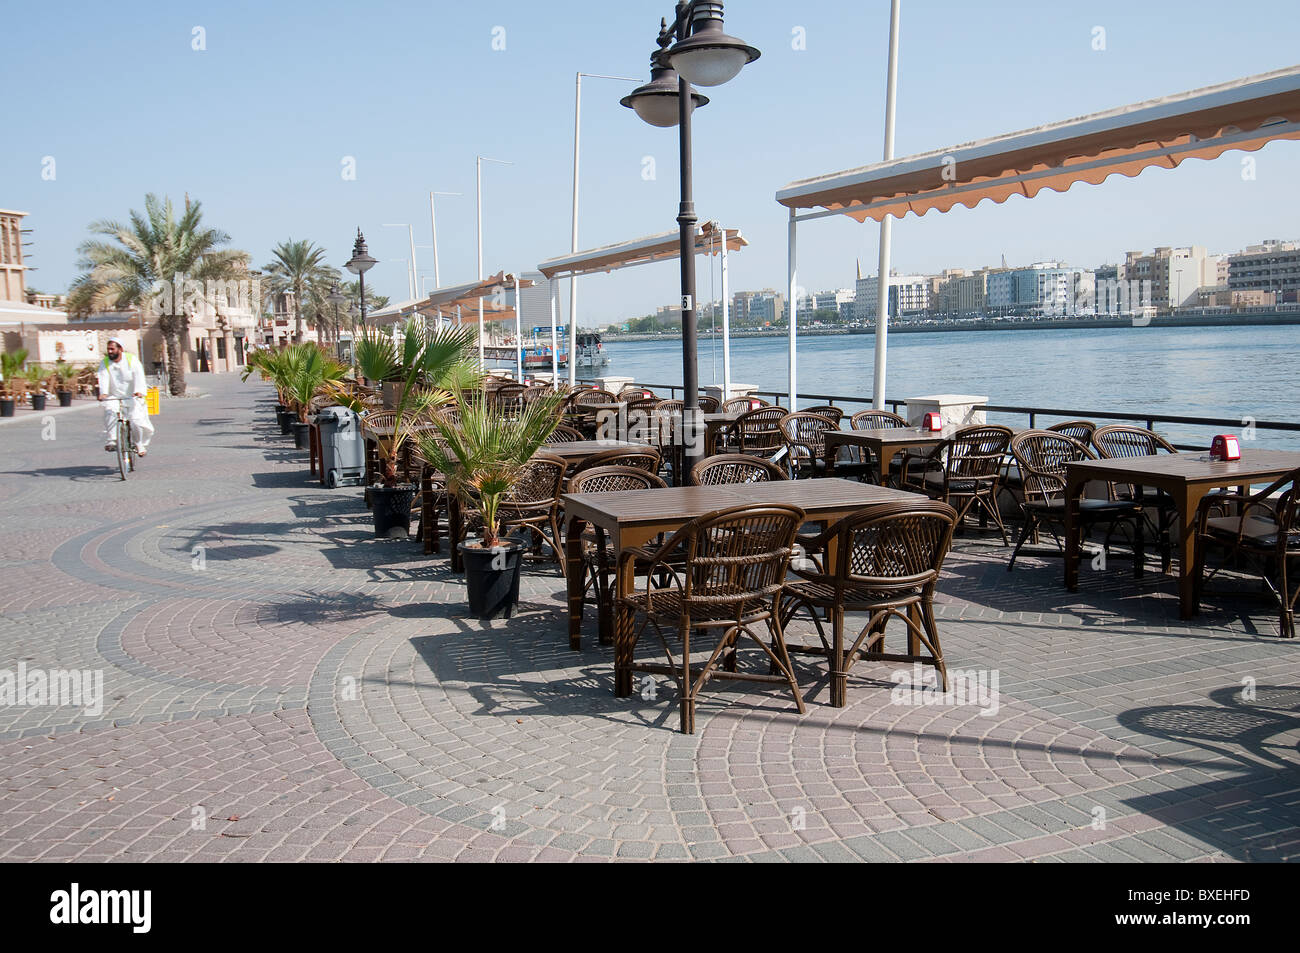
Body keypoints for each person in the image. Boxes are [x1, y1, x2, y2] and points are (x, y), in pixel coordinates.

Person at [97, 337, 154, 456]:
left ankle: (138, 443)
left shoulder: (131, 360)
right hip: (114, 396)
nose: (110, 352)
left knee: (136, 421)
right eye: (108, 349)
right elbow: (103, 377)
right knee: (110, 411)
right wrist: (103, 392)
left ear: (120, 349)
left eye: (112, 349)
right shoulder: (105, 362)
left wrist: (139, 391)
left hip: (131, 396)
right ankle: (112, 439)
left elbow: (138, 376)